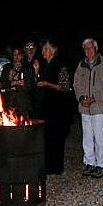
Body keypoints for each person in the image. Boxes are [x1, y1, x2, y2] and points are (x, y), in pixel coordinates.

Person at [73, 38, 103, 179]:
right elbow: (76, 84)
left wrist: (94, 97)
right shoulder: (81, 65)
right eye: (86, 48)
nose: (88, 50)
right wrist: (81, 98)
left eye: (90, 47)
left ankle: (101, 164)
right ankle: (89, 162)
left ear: (96, 48)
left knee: (99, 137)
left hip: (99, 107)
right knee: (87, 137)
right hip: (85, 107)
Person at [37, 38, 73, 175]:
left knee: (57, 137)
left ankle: (56, 167)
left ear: (54, 50)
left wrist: (48, 84)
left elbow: (65, 86)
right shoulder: (44, 65)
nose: (43, 52)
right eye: (43, 49)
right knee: (47, 136)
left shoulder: (61, 65)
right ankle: (47, 165)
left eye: (46, 49)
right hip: (47, 107)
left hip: (59, 107)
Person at [0, 46, 35, 118]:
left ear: (22, 55)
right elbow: (1, 83)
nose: (16, 56)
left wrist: (24, 84)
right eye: (14, 54)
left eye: (18, 54)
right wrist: (11, 81)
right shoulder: (7, 67)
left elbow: (31, 85)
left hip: (22, 102)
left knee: (23, 123)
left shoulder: (27, 68)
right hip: (9, 101)